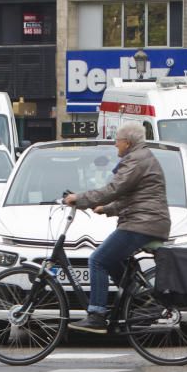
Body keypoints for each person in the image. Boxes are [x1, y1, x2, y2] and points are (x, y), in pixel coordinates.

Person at [62, 121, 170, 334]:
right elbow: (132, 195)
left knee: (98, 260)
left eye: (117, 141)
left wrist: (80, 198)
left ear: (127, 143)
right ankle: (139, 299)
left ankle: (97, 315)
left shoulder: (136, 160)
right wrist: (107, 208)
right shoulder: (142, 158)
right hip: (146, 220)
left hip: (142, 223)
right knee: (111, 260)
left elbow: (114, 188)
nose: (115, 145)